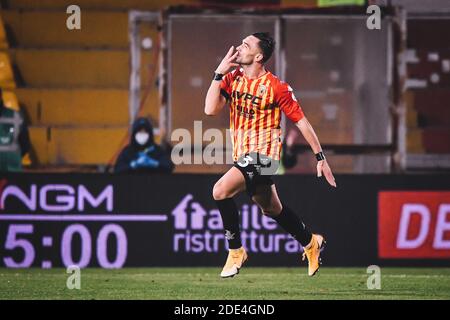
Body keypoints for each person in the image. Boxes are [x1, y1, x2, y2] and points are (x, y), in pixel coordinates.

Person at [204, 32, 336, 278]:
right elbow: (210, 109)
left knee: (219, 191)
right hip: (243, 155)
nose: (239, 47)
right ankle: (311, 243)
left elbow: (302, 122)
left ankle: (236, 250)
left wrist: (321, 158)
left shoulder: (277, 87)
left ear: (259, 56)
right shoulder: (232, 79)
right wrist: (218, 72)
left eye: (245, 45)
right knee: (271, 209)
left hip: (264, 157)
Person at [0, 88, 30, 172]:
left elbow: (25, 144)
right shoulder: (16, 115)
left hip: (13, 171)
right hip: (13, 171)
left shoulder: (16, 116)